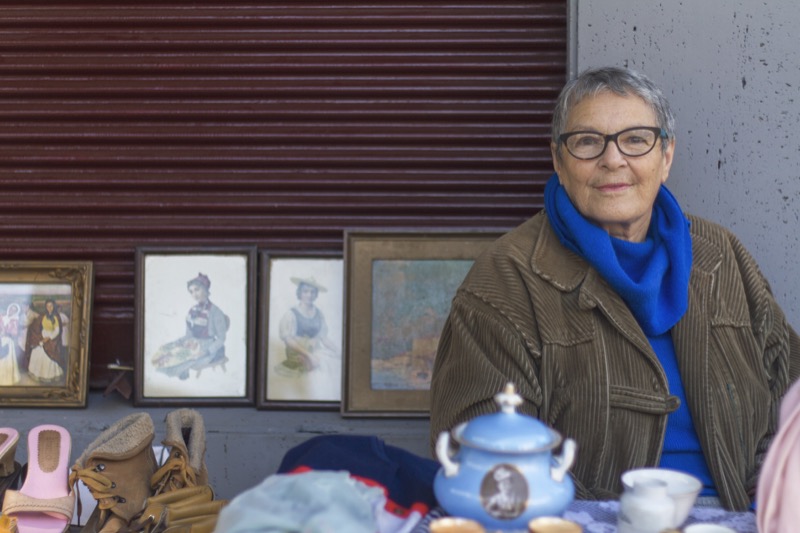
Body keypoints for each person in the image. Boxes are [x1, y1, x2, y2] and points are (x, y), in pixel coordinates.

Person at [430, 66, 800, 512]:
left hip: (743, 511)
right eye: (587, 142)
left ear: (665, 157)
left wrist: (770, 491)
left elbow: (791, 391)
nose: (613, 159)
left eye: (636, 139)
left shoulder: (721, 255)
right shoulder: (506, 278)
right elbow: (486, 460)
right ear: (558, 160)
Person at [151, 272, 230, 380]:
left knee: (181, 360)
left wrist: (207, 351)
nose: (194, 294)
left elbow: (221, 339)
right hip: (192, 344)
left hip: (208, 348)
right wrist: (176, 342)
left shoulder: (216, 312)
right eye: (191, 292)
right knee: (167, 353)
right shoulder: (193, 311)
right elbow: (188, 335)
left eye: (197, 289)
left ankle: (181, 371)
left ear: (206, 290)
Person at [274, 276, 340, 377]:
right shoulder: (291, 314)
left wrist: (338, 351)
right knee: (323, 365)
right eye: (305, 291)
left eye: (312, 292)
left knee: (335, 362)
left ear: (316, 295)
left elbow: (324, 338)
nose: (309, 295)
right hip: (297, 354)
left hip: (315, 352)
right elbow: (288, 340)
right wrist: (309, 355)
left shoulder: (318, 314)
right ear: (300, 293)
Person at [25, 299, 68, 383]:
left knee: (48, 355)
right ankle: (37, 374)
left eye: (51, 306)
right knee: (37, 352)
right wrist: (38, 336)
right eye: (48, 306)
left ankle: (49, 376)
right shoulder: (43, 316)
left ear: (54, 306)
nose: (49, 308)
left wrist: (48, 338)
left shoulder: (56, 317)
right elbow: (37, 326)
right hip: (42, 335)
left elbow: (57, 331)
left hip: (51, 338)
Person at [0, 303, 22, 385]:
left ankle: (6, 379)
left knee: (6, 359)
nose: (12, 311)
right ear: (8, 309)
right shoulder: (2, 317)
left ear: (16, 312)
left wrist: (5, 332)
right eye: (11, 309)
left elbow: (14, 332)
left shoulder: (15, 320)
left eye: (14, 310)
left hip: (8, 341)